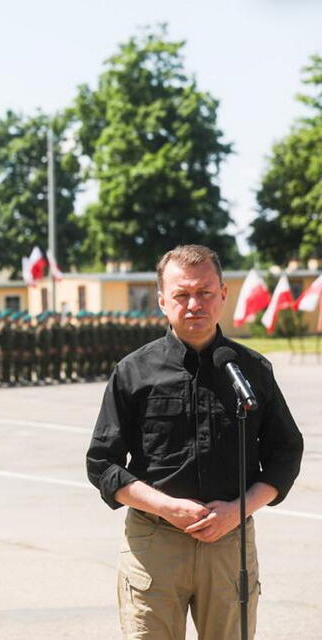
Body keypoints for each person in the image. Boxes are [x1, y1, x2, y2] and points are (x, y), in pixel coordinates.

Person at [85, 244, 303, 640]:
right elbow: (103, 464)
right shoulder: (134, 372)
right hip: (155, 543)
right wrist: (166, 507)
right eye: (182, 295)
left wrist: (238, 510)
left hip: (229, 545)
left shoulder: (250, 370)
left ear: (223, 294)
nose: (193, 305)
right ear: (162, 301)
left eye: (204, 292)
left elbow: (286, 453)